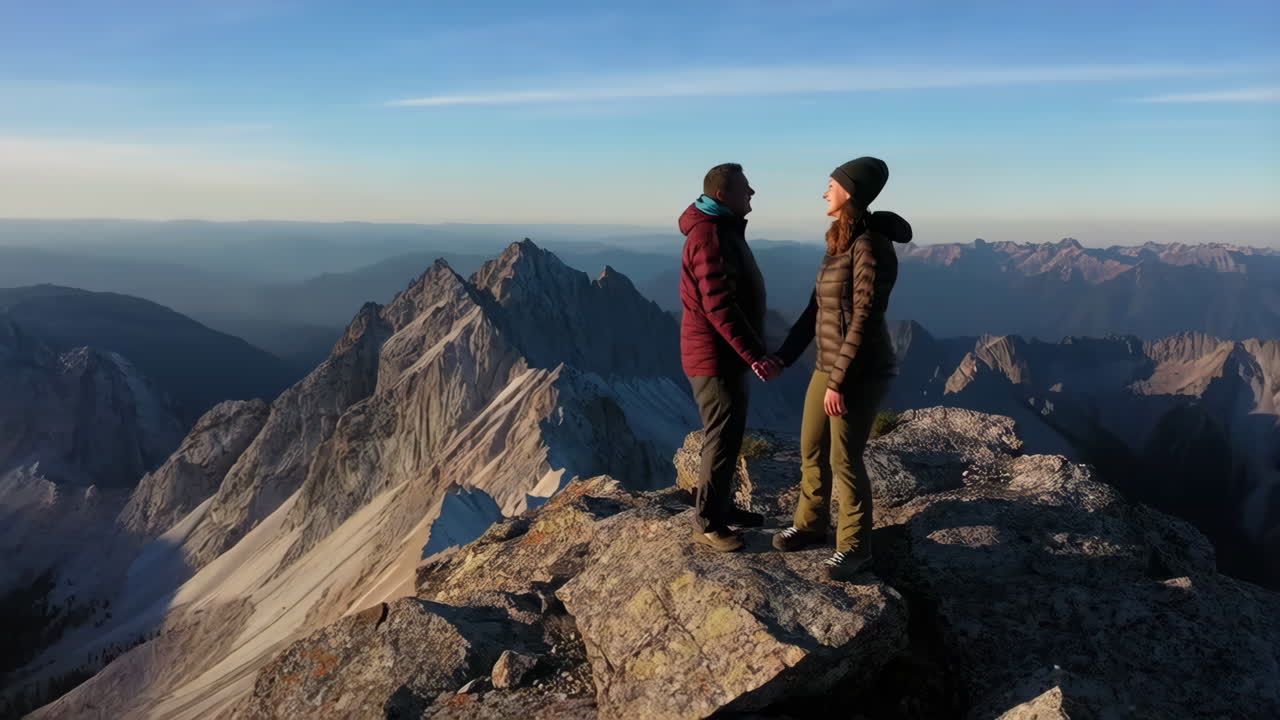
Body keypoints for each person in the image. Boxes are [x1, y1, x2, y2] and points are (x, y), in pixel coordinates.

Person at [767, 156, 913, 580]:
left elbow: (865, 316)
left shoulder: (869, 246)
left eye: (830, 184)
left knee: (843, 459)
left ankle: (855, 546)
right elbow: (817, 309)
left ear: (849, 192)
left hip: (859, 371)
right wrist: (783, 357)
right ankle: (811, 525)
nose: (824, 191)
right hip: (827, 366)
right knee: (811, 447)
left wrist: (840, 381)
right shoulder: (840, 241)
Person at [679, 163, 774, 552]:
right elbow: (718, 306)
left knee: (730, 433)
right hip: (714, 356)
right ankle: (708, 523)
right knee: (721, 436)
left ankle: (721, 506)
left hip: (722, 354)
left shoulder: (719, 229)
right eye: (745, 188)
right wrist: (753, 353)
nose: (752, 193)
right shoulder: (709, 236)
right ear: (723, 194)